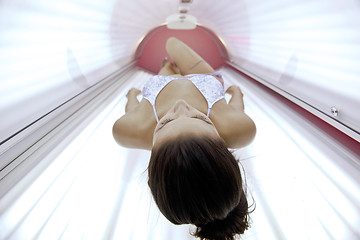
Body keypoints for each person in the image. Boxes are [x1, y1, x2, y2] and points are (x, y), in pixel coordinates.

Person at [113, 37, 256, 240]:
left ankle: (167, 67)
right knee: (171, 43)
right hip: (204, 80)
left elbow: (132, 111)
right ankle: (171, 68)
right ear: (224, 147)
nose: (181, 105)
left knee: (168, 56)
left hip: (159, 85)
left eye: (165, 123)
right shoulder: (240, 130)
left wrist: (131, 96)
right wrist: (236, 93)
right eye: (202, 119)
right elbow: (237, 108)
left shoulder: (127, 131)